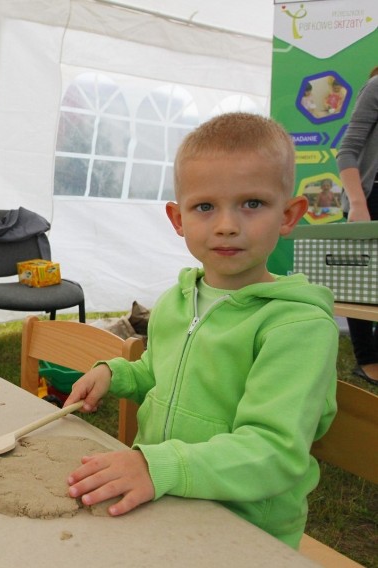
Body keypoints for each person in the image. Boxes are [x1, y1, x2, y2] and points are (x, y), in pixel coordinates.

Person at [63, 113, 339, 549]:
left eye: (252, 203)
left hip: (245, 532)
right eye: (205, 206)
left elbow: (274, 451)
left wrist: (158, 466)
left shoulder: (297, 327)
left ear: (289, 215)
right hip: (164, 500)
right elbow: (161, 372)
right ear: (177, 218)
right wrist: (116, 374)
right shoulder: (177, 300)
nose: (226, 224)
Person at [336, 65, 378, 385]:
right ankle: (367, 361)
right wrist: (359, 204)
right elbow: (347, 151)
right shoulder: (375, 87)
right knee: (361, 283)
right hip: (371, 196)